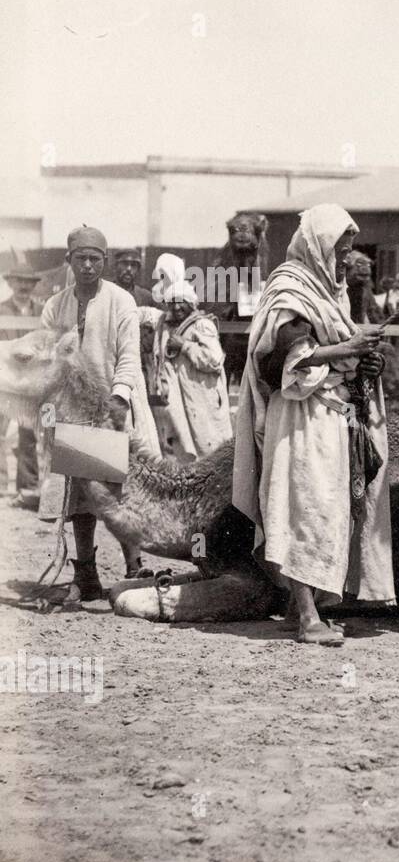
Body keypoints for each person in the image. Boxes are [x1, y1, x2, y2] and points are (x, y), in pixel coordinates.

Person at [232, 204, 393, 646]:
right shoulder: (289, 288)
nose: (344, 259)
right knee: (303, 505)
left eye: (347, 251)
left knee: (328, 508)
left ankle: (301, 607)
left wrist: (364, 359)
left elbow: (334, 348)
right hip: (300, 415)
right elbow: (283, 357)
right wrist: (350, 348)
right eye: (339, 250)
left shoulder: (330, 290)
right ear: (319, 244)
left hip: (332, 414)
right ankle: (306, 618)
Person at [40, 226, 161, 595]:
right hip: (73, 409)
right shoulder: (54, 305)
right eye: (81, 259)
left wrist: (119, 398)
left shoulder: (121, 301)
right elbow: (48, 359)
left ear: (104, 262)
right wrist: (49, 408)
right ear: (69, 261)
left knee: (120, 487)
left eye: (95, 259)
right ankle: (86, 572)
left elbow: (128, 356)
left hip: (115, 404)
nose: (89, 266)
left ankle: (134, 565)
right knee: (79, 491)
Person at [149, 254, 232, 462]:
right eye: (172, 303)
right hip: (180, 402)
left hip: (203, 399)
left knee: (211, 451)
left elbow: (214, 360)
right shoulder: (166, 326)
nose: (177, 308)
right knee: (185, 453)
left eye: (181, 303)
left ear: (190, 303)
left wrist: (185, 346)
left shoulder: (202, 325)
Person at [0, 261, 44, 507]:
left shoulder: (40, 311)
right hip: (4, 379)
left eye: (29, 282)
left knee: (28, 433)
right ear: (10, 283)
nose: (24, 286)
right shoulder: (1, 309)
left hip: (30, 381)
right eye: (19, 281)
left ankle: (27, 487)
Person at [343, 250, 374, 323]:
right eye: (359, 264)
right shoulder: (341, 288)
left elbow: (372, 311)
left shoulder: (365, 288)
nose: (365, 268)